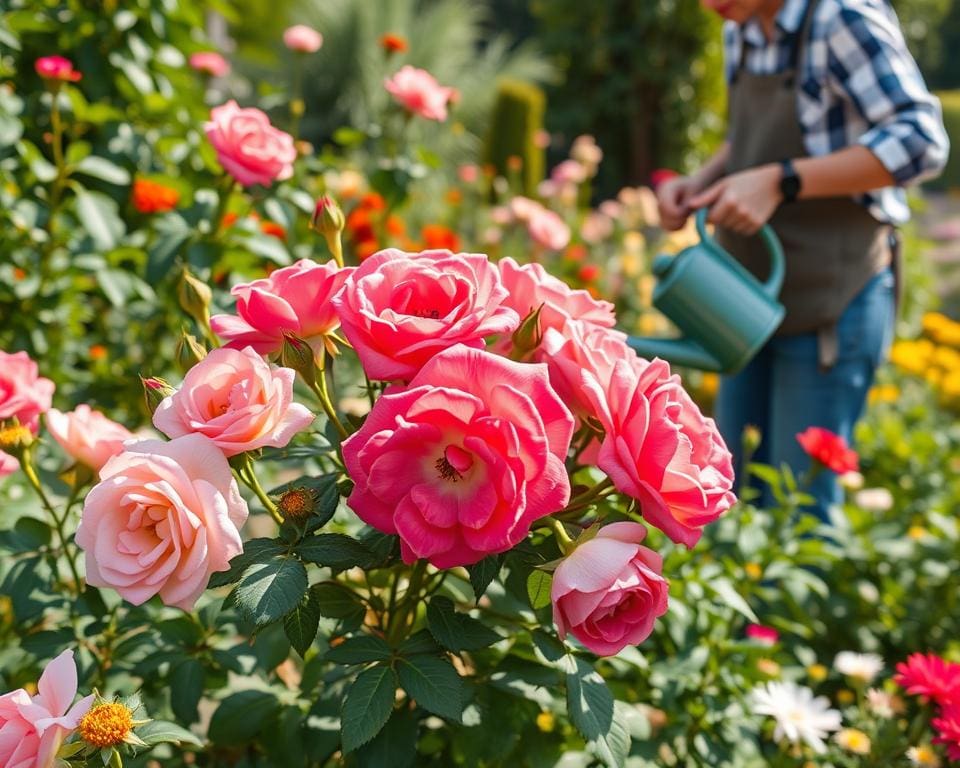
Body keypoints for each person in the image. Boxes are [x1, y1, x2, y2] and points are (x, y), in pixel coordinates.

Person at [656, 0, 949, 519]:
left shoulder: (841, 18)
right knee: (730, 494)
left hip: (831, 304)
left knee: (799, 512)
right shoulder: (742, 26)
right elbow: (747, 138)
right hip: (745, 306)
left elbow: (921, 141)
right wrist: (699, 183)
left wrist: (781, 181)